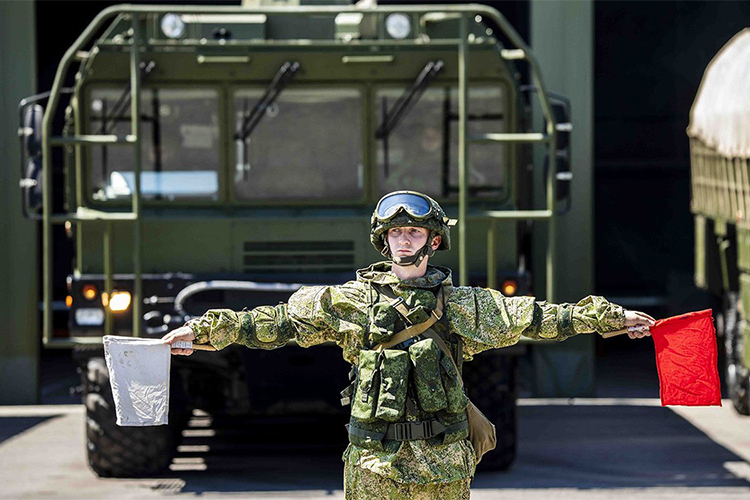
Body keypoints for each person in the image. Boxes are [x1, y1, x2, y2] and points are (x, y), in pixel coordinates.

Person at [163, 190, 654, 499]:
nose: (403, 240)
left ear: (433, 240)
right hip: (373, 465)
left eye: (413, 231)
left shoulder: (462, 305)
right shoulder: (350, 302)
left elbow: (540, 317)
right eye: (396, 232)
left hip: (443, 465)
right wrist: (201, 333)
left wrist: (613, 319)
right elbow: (273, 322)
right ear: (383, 240)